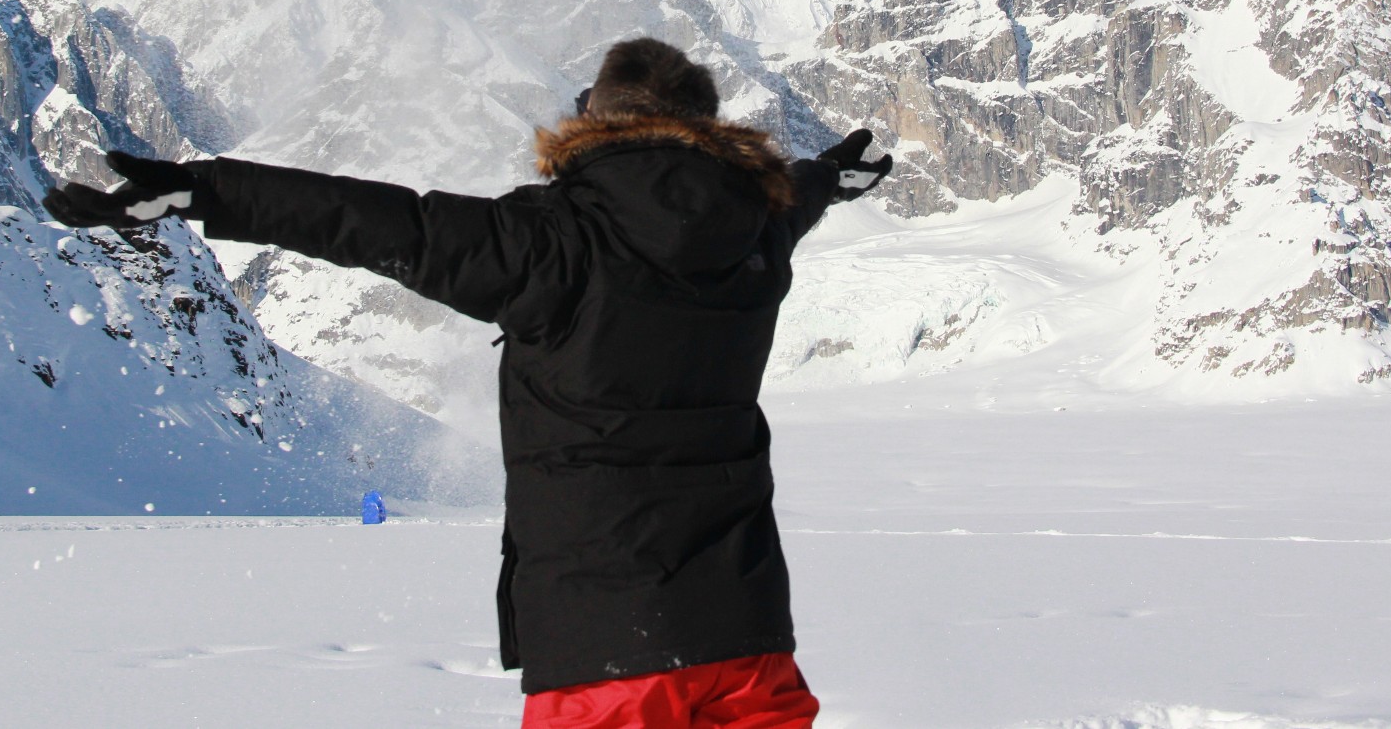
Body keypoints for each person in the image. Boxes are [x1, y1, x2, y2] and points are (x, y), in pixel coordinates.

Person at [43, 37, 893, 728]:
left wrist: (207, 189)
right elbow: (795, 197)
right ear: (707, 131)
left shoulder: (552, 239)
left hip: (606, 648)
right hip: (746, 640)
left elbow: (382, 221)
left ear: (592, 121)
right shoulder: (756, 226)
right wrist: (825, 174)